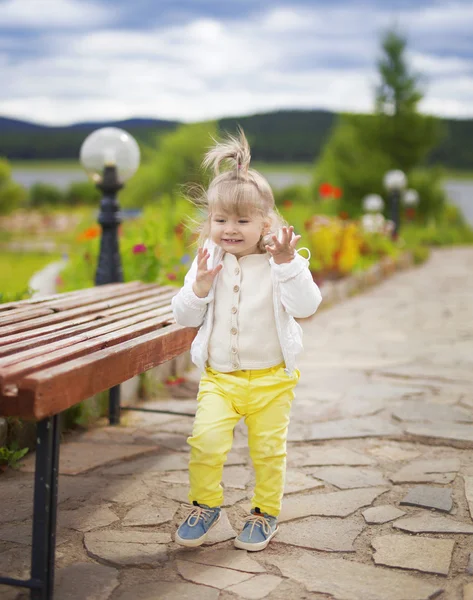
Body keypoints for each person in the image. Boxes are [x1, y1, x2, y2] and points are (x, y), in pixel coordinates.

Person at [171, 128, 322, 552]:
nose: (230, 229)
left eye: (242, 221)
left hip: (272, 379)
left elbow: (307, 305)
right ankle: (207, 505)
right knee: (205, 441)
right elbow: (183, 315)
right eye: (220, 220)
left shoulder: (281, 262)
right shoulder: (207, 260)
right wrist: (198, 286)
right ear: (209, 222)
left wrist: (289, 263)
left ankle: (264, 512)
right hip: (220, 378)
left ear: (266, 223)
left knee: (268, 452)